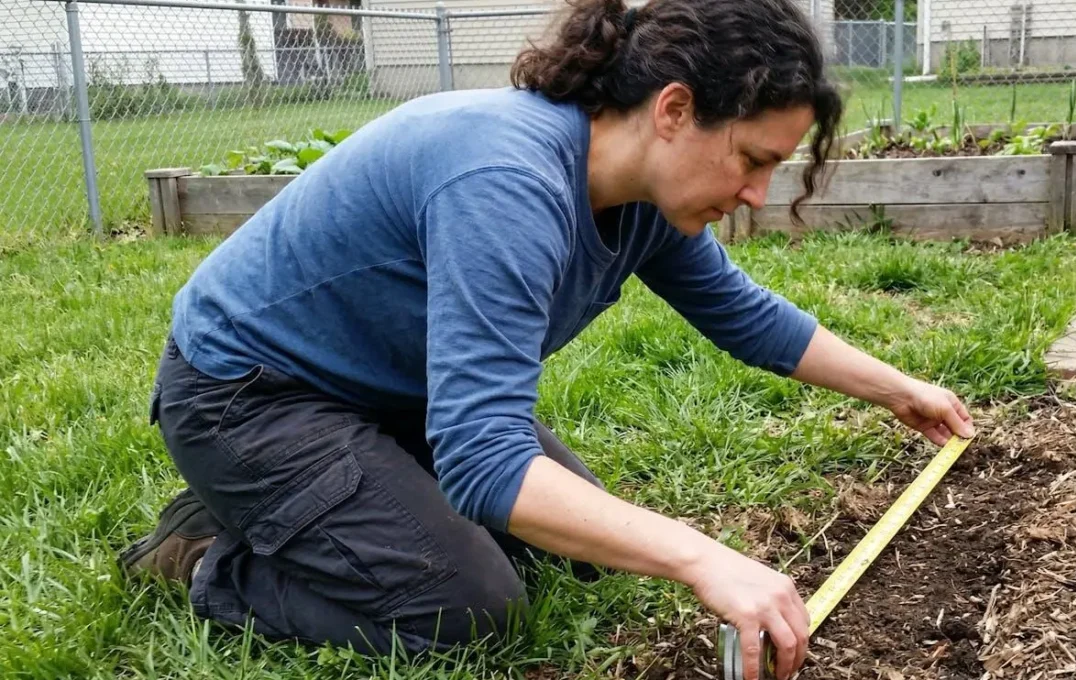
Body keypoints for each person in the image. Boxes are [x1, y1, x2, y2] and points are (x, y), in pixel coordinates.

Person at [117, 0, 976, 678]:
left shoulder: (642, 196)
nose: (756, 193)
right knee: (463, 608)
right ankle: (206, 558)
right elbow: (485, 461)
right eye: (752, 159)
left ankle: (316, 505)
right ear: (674, 109)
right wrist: (704, 560)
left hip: (383, 393)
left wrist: (900, 388)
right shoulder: (507, 178)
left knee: (578, 556)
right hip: (249, 399)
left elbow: (743, 314)